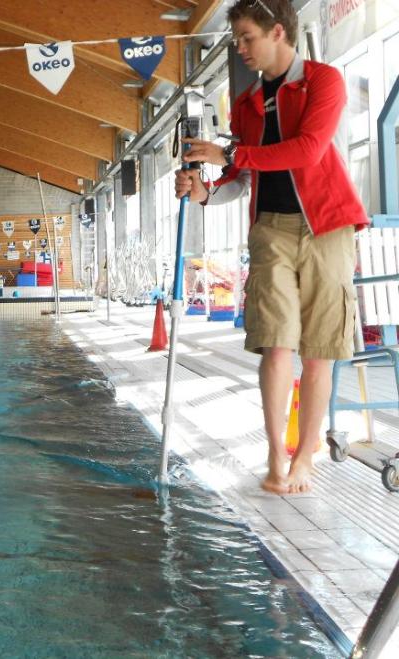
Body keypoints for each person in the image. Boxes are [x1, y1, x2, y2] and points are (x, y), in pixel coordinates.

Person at [174, 0, 368, 494]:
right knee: (276, 344)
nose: (240, 49)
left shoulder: (324, 81)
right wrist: (204, 191)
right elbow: (240, 177)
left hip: (328, 224)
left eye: (246, 37)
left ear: (277, 31)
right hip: (271, 229)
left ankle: (306, 456)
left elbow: (307, 150)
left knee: (319, 349)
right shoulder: (245, 106)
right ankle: (274, 452)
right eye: (237, 40)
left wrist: (231, 153)